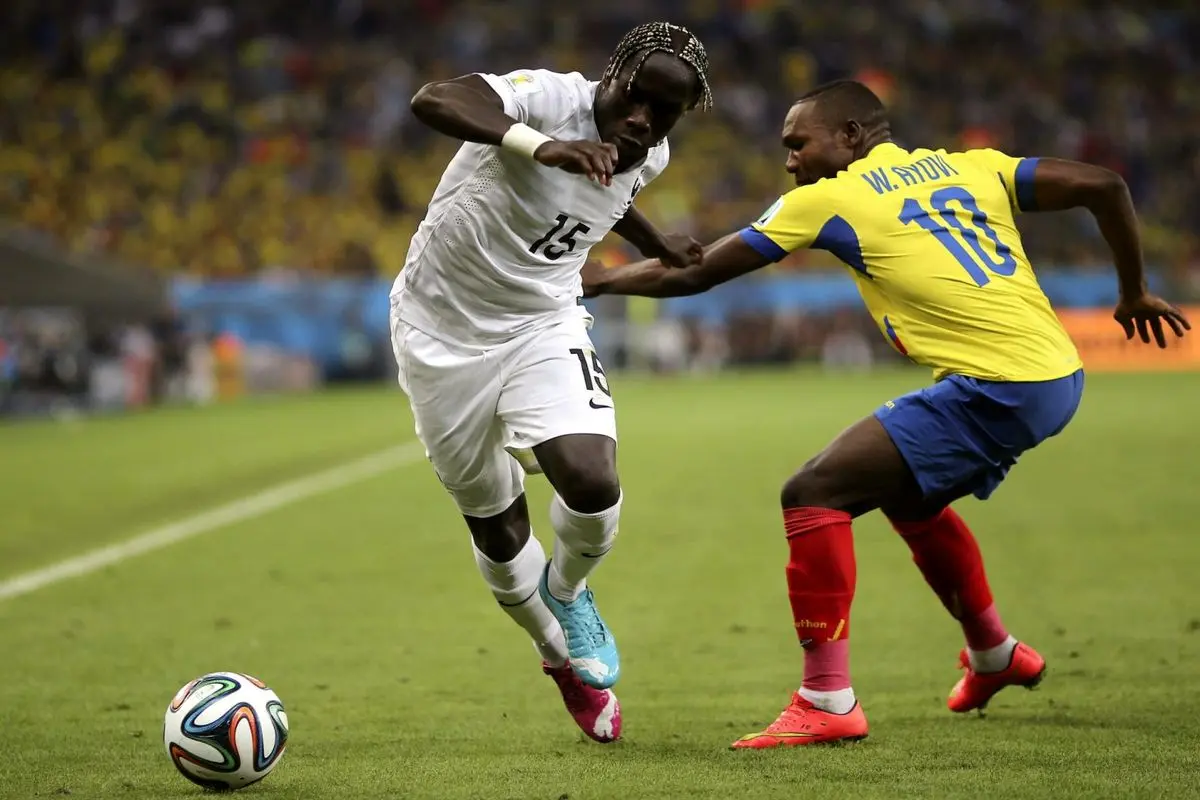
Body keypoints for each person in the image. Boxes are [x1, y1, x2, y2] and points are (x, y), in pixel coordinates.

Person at [581, 79, 1190, 748]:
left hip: (1000, 386)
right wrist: (1133, 292)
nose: (789, 160)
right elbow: (1104, 184)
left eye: (798, 144)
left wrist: (602, 279)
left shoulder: (827, 199)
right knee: (910, 499)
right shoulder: (973, 167)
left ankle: (827, 700)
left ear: (850, 136)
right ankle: (994, 653)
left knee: (813, 492)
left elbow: (695, 274)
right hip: (1055, 374)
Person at [390, 22, 712, 743]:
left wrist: (654, 241)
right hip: (438, 332)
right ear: (612, 74)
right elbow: (433, 99)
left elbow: (605, 195)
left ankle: (568, 593)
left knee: (592, 480)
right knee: (498, 528)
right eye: (635, 98)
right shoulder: (547, 98)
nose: (643, 121)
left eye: (664, 112)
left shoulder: (650, 154)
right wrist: (541, 145)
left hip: (542, 320)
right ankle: (559, 660)